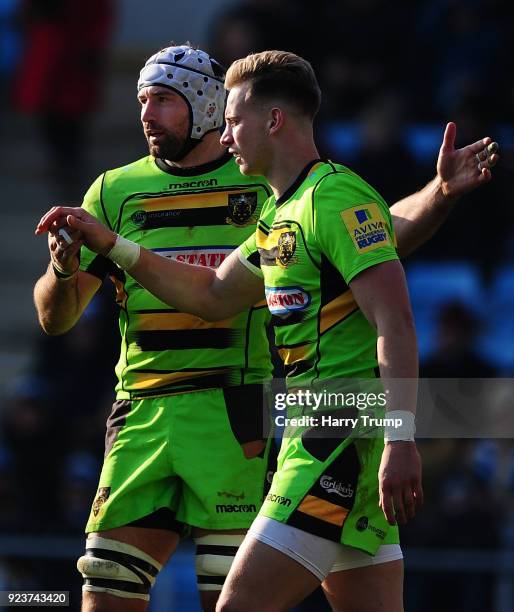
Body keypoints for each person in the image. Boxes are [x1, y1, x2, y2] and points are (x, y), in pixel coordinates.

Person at [35, 47, 499, 612]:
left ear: (272, 121)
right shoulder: (280, 214)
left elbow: (396, 321)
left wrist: (401, 439)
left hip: (335, 433)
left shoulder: (332, 197)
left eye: (233, 122)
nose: (227, 138)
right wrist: (112, 246)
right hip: (305, 430)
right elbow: (211, 294)